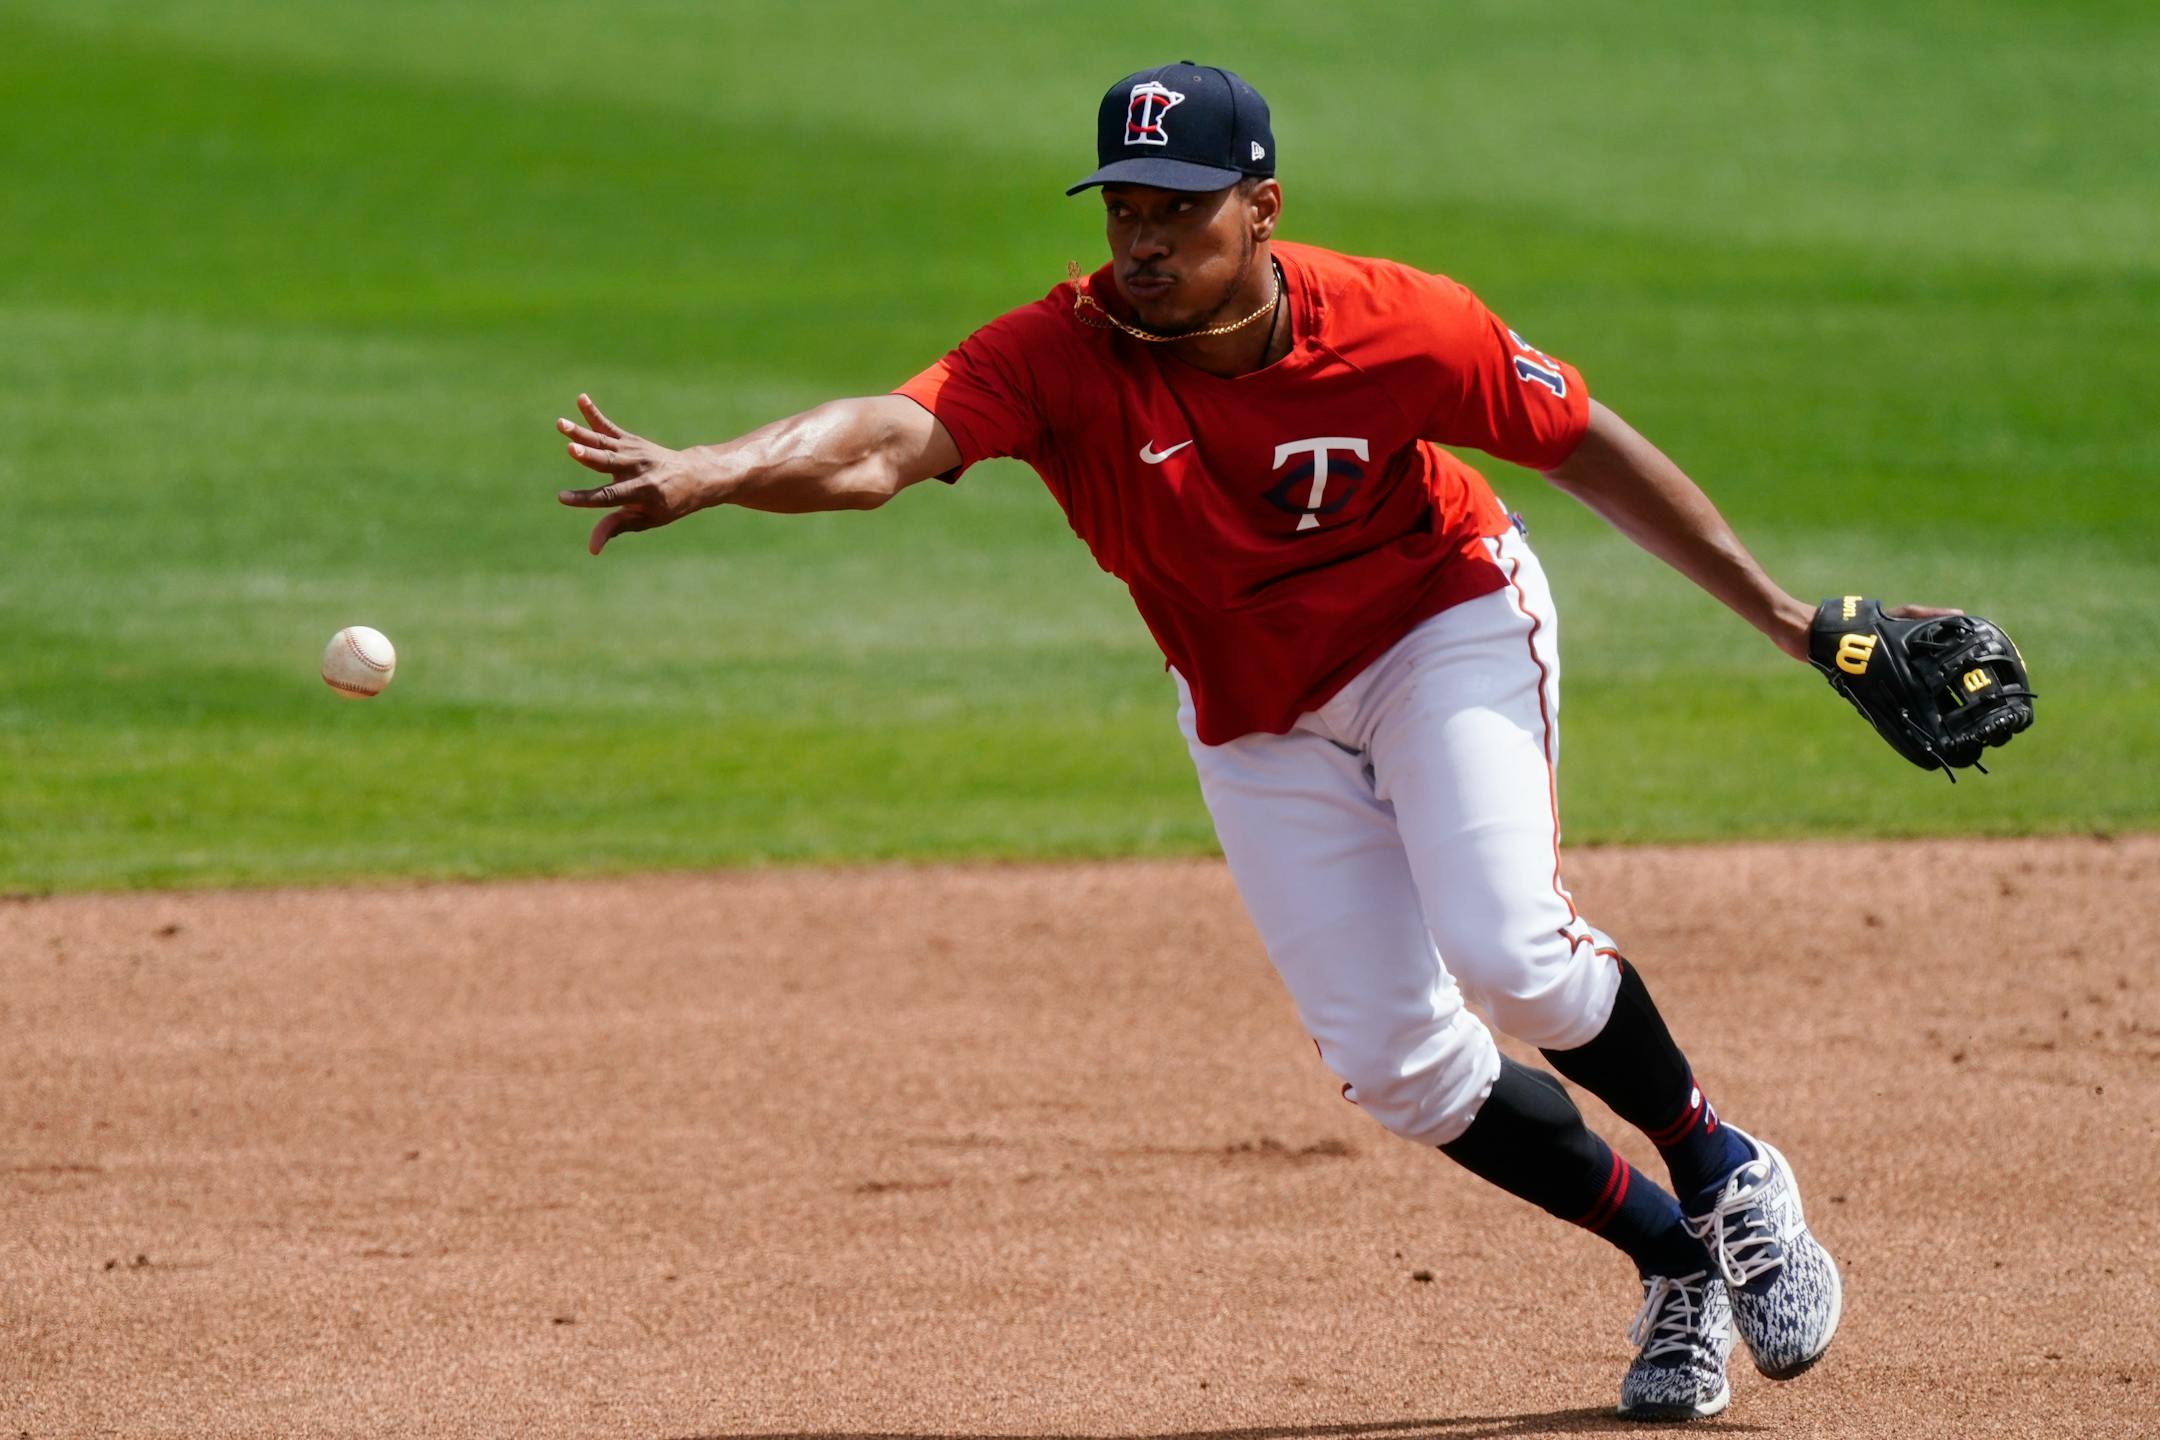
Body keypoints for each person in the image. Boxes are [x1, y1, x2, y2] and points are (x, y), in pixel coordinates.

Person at [552, 62, 1908, 1420]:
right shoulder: (1062, 356)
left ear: (1262, 208)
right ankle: (1677, 1265)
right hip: (1253, 703)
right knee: (1399, 1064)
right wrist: (724, 466)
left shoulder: (1397, 323)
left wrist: (1786, 622)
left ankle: (1726, 1168)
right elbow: (880, 445)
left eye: (1179, 212)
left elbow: (1578, 442)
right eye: (1123, 209)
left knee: (1511, 949)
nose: (1141, 241)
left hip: (1440, 626)